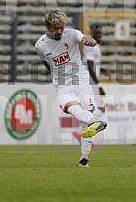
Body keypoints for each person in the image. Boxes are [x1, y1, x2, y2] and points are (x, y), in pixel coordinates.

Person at [35, 9, 107, 167]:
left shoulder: (72, 34)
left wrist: (91, 42)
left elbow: (86, 39)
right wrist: (55, 74)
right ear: (47, 26)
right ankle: (96, 122)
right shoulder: (40, 45)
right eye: (56, 28)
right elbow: (46, 62)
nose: (60, 31)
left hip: (80, 79)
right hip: (62, 85)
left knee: (85, 117)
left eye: (62, 27)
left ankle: (84, 159)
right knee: (69, 108)